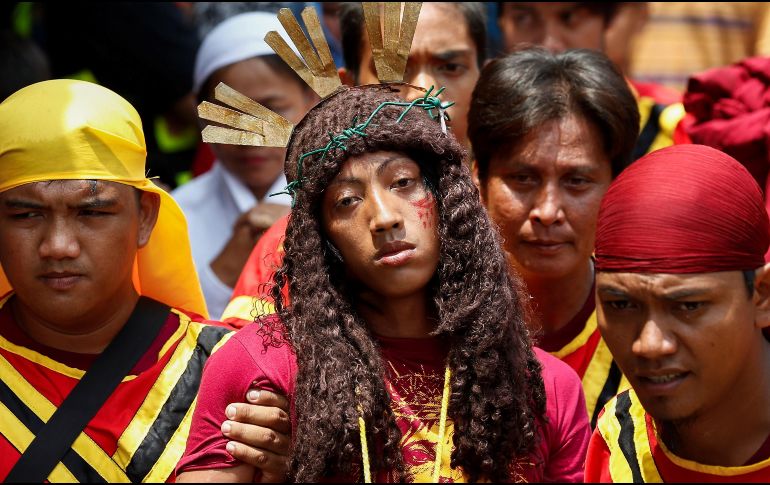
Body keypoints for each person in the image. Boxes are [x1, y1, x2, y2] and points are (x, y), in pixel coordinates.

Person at [176, 10, 590, 479]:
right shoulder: (261, 367)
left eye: (405, 183)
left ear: (449, 200)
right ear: (320, 237)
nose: (385, 217)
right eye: (348, 201)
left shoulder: (548, 389)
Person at [0, 79, 288, 482]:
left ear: (146, 217)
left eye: (92, 213)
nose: (58, 246)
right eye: (26, 215)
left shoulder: (233, 370)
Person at [220, 2, 487, 327]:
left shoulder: (525, 212)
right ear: (349, 87)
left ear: (483, 77)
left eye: (451, 66)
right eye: (394, 71)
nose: (422, 93)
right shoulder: (296, 244)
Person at [468, 47, 639, 427]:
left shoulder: (648, 334)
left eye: (576, 181)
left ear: (617, 185)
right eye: (522, 179)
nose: (547, 211)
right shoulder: (430, 326)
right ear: (478, 182)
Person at [585, 144, 770, 481]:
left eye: (688, 306)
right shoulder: (621, 442)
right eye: (621, 305)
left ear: (762, 296)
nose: (650, 345)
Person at [172, 12, 318, 319]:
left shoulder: (344, 201)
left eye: (271, 109)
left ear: (310, 101)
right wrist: (224, 270)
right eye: (228, 114)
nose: (251, 135)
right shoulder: (175, 216)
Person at [497, 2, 684, 160]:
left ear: (607, 23)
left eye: (570, 17)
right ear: (500, 22)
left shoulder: (673, 129)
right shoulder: (478, 125)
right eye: (523, 18)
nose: (548, 43)